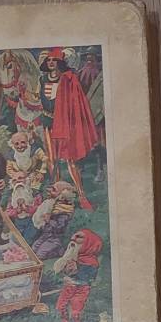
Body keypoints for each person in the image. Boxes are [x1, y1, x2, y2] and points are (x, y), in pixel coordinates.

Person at [37, 47, 98, 209]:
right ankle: (57, 195)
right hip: (48, 122)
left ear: (60, 62)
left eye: (54, 60)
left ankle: (81, 195)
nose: (51, 63)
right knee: (52, 159)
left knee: (70, 159)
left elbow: (74, 101)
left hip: (63, 123)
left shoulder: (68, 79)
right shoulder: (43, 79)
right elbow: (40, 99)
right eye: (49, 60)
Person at [53, 228, 104, 322]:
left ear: (88, 243)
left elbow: (89, 278)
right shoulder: (72, 257)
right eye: (74, 236)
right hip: (69, 286)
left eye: (79, 237)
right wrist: (65, 274)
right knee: (61, 305)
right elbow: (62, 271)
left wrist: (76, 272)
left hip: (82, 288)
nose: (73, 239)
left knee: (76, 308)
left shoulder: (92, 262)